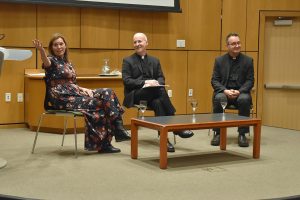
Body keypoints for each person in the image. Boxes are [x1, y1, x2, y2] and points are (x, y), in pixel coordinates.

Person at [32, 33, 131, 154]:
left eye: (61, 44)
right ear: (51, 48)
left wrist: (84, 89)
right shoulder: (51, 60)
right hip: (60, 98)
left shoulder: (68, 63)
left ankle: (117, 130)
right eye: (55, 45)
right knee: (100, 104)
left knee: (108, 92)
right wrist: (41, 51)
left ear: (65, 46)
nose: (59, 47)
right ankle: (109, 139)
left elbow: (72, 83)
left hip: (74, 93)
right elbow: (46, 62)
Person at [122, 32, 194, 153]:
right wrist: (146, 83)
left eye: (140, 41)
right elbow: (127, 81)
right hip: (136, 94)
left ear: (146, 43)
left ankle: (164, 139)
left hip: (154, 94)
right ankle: (176, 126)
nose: (137, 44)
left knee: (158, 102)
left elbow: (161, 78)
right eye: (135, 42)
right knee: (159, 90)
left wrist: (156, 82)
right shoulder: (127, 60)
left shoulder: (155, 60)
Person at [211, 32, 254, 147]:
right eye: (233, 43)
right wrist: (225, 90)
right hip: (225, 92)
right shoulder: (219, 60)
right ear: (228, 46)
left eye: (238, 43)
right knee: (219, 98)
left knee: (244, 99)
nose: (237, 45)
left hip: (241, 93)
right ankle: (218, 133)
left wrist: (239, 91)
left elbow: (250, 81)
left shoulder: (248, 60)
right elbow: (214, 80)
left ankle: (242, 134)